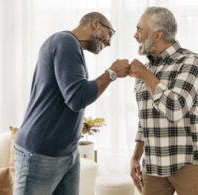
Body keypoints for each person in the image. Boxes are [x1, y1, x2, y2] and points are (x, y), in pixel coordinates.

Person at [13, 12, 129, 195]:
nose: (109, 42)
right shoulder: (65, 42)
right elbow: (77, 98)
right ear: (95, 23)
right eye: (110, 34)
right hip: (41, 153)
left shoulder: (70, 46)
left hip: (67, 153)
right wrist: (112, 73)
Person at [128, 7, 198, 195]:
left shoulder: (191, 62)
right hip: (153, 165)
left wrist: (145, 74)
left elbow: (175, 109)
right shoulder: (147, 68)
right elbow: (145, 118)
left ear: (157, 35)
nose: (135, 35)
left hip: (189, 163)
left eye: (140, 29)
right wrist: (136, 156)